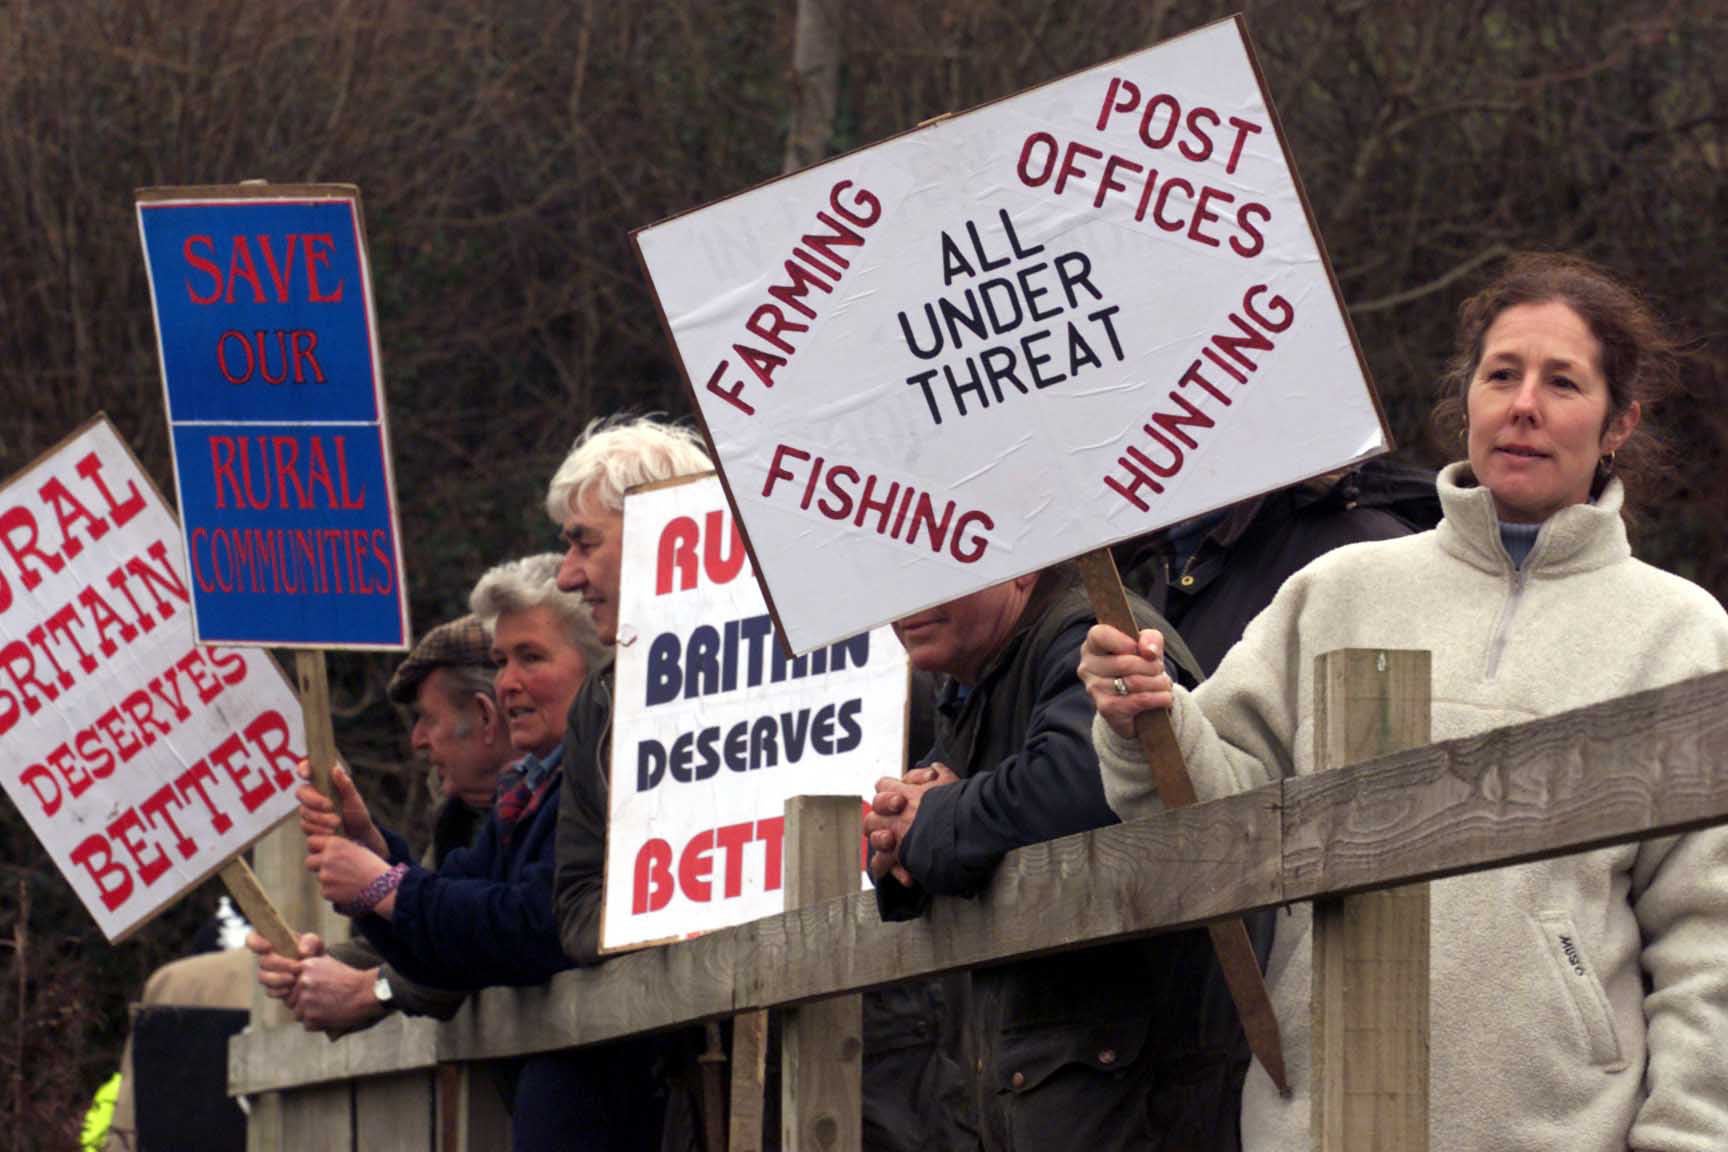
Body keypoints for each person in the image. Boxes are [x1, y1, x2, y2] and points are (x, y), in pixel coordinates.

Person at [1081, 252, 1728, 1152]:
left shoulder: (1683, 633)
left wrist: (1689, 1140)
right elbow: (1206, 828)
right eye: (1500, 375)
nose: (1524, 406)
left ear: (1619, 421)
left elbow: (1710, 939)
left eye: (1563, 382)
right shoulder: (1339, 590)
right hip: (1318, 1123)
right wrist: (1151, 717)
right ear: (1467, 398)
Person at [865, 563, 1263, 1152]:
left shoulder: (1094, 635)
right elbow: (938, 815)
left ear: (1019, 568)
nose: (906, 601)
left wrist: (930, 820)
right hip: (1068, 1087)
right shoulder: (983, 676)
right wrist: (892, 835)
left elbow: (1080, 782)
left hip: (1139, 1095)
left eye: (938, 566)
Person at [292, 554, 622, 1151]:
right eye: (500, 661)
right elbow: (449, 941)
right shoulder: (527, 795)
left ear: (597, 662)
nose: (509, 681)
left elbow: (536, 923)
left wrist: (386, 889)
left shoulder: (605, 776)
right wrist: (376, 859)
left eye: (531, 657)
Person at [246, 614, 514, 1033]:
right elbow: (434, 928)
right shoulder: (459, 814)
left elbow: (507, 933)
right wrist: (322, 969)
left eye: (429, 717)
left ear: (484, 716)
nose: (417, 739)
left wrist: (373, 989)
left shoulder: (561, 796)